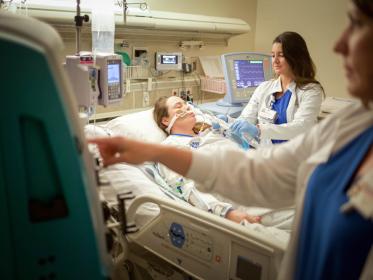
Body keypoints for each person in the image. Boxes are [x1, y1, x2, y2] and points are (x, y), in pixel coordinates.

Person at [89, 1, 373, 279]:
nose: (339, 46)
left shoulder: (310, 95)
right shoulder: (349, 124)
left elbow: (280, 145)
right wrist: (225, 207)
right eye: (179, 107)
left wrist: (241, 131)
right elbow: (239, 175)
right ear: (165, 122)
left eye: (358, 23)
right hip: (255, 198)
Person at [153, 95, 293, 232]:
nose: (187, 107)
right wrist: (227, 213)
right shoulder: (170, 149)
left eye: (185, 103)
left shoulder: (209, 132)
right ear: (165, 120)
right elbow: (186, 187)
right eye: (179, 106)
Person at [229, 31, 324, 147]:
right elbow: (246, 119)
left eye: (281, 55)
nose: (275, 61)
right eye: (273, 55)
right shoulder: (264, 87)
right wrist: (227, 121)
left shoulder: (311, 91)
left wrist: (259, 130)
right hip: (267, 155)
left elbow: (301, 127)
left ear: (296, 57)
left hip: (295, 159)